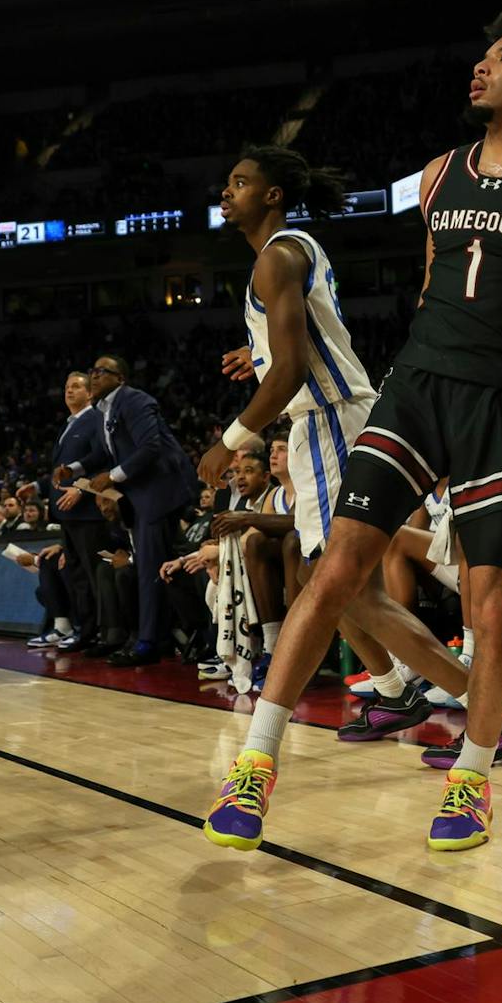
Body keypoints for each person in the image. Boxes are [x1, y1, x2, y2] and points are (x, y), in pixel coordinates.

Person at [205, 9, 502, 853]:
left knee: (494, 602)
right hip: (413, 392)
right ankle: (255, 764)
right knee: (335, 573)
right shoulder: (440, 175)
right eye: (482, 53)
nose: (480, 66)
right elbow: (437, 289)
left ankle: (472, 777)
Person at [200, 145, 473, 742]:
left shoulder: (277, 259)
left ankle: (484, 704)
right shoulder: (289, 253)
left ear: (271, 195)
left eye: (240, 182)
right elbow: (296, 349)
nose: (228, 192)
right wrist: (263, 352)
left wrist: (232, 439)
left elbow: (295, 368)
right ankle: (400, 691)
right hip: (332, 420)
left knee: (338, 584)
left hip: (329, 423)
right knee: (343, 586)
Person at [72, 354, 197, 665]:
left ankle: (148, 643)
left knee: (148, 569)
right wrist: (74, 468)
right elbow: (103, 452)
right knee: (160, 568)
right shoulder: (104, 411)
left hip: (159, 492)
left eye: (103, 371)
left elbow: (151, 446)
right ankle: (170, 637)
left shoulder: (134, 400)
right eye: (93, 370)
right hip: (142, 496)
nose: (95, 375)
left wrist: (111, 476)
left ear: (120, 378)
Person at [24, 371, 117, 652]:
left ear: (90, 393)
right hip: (68, 516)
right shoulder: (70, 424)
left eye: (76, 386)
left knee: (93, 575)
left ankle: (103, 632)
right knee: (76, 576)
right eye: (66, 386)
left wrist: (83, 489)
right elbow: (62, 470)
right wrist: (38, 487)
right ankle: (84, 631)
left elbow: (104, 462)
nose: (69, 391)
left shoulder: (95, 420)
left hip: (89, 514)